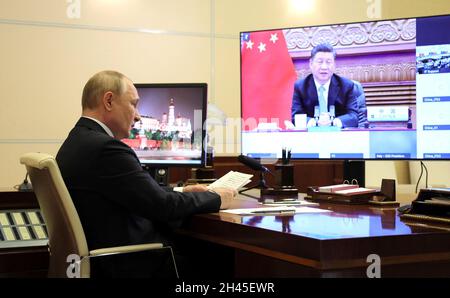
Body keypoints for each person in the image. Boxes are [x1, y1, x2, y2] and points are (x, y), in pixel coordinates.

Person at [56, 70, 236, 277]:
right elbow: (162, 206)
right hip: (132, 263)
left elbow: (138, 192)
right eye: (133, 104)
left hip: (101, 261)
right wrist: (216, 198)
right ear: (108, 101)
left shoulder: (76, 142)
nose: (139, 115)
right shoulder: (106, 149)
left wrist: (181, 189)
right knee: (224, 260)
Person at [291, 43, 358, 128]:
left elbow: (354, 117)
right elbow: (296, 117)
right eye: (320, 62)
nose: (324, 67)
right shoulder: (300, 87)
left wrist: (333, 122)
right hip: (311, 137)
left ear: (334, 65)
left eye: (328, 62)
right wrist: (315, 122)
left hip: (338, 136)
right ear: (311, 64)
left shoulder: (346, 86)